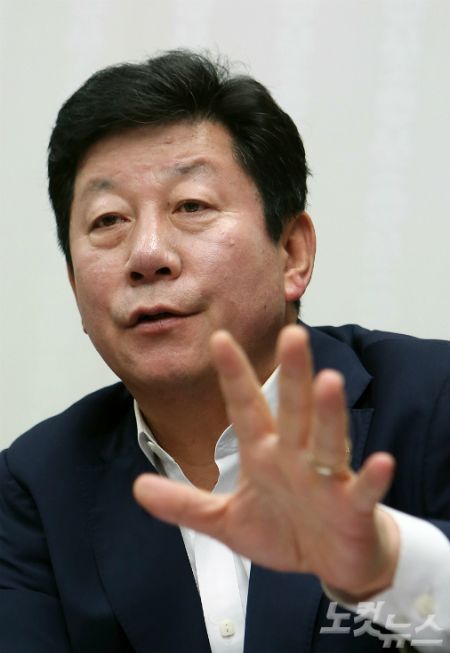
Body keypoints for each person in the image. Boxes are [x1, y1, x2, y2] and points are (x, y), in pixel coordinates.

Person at [0, 50, 449, 653]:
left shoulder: (434, 400)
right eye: (108, 220)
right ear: (75, 285)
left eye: (191, 206)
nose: (147, 254)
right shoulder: (33, 487)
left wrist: (391, 565)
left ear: (292, 253)